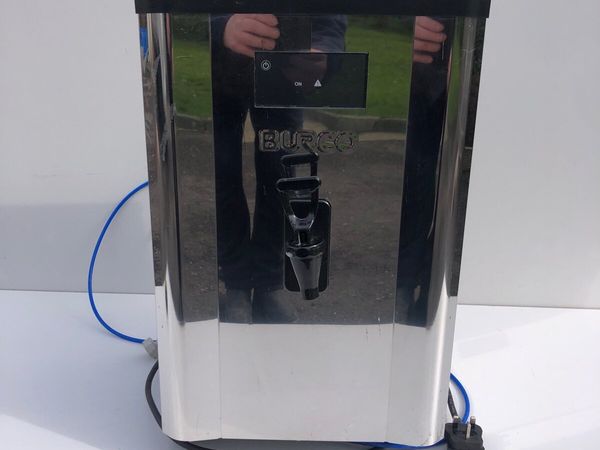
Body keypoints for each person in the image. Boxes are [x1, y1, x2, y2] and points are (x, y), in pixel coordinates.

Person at [210, 14, 347, 323]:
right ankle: (235, 283)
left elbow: (331, 14)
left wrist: (325, 51)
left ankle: (268, 282)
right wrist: (219, 26)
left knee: (280, 179)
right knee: (222, 175)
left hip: (285, 71)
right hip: (216, 70)